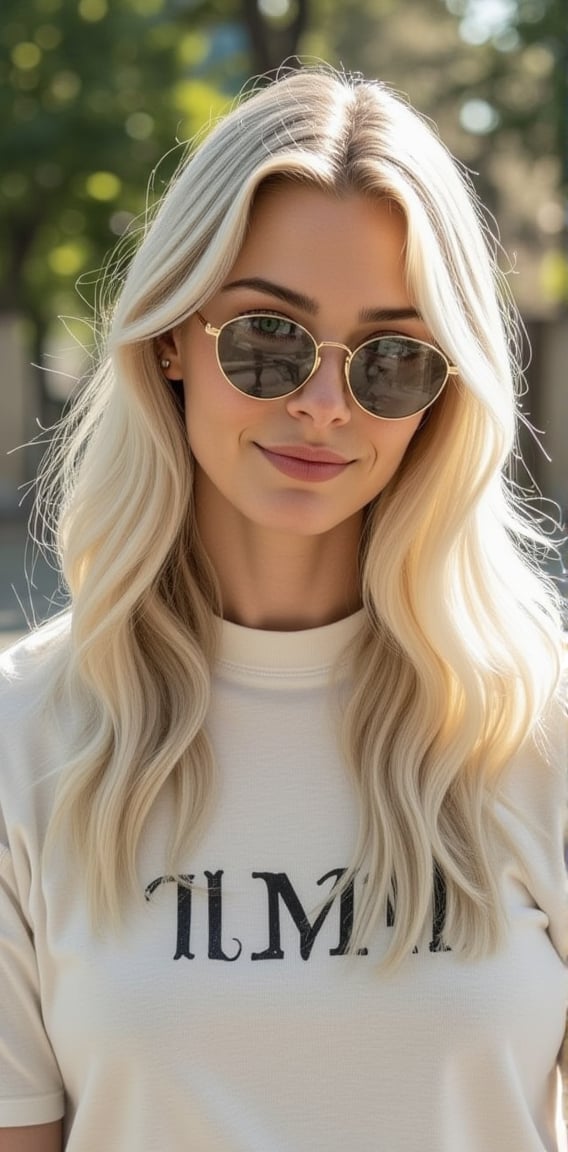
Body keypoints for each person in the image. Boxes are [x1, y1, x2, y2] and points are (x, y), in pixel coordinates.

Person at [0, 65, 566, 1152]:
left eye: (394, 361)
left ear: (443, 395)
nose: (322, 403)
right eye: (268, 338)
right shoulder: (28, 743)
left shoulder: (541, 733)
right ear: (171, 336)